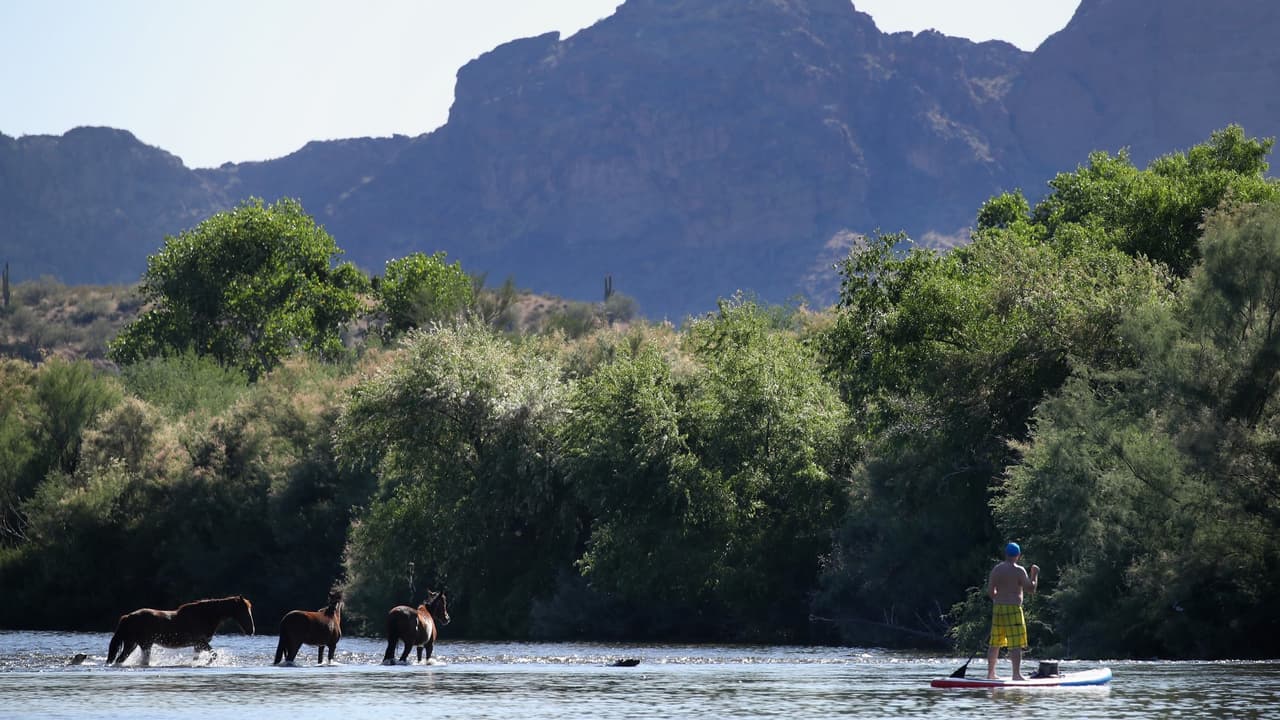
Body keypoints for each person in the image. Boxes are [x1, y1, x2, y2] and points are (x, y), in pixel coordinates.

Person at [986, 541, 1039, 680]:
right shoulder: (1019, 570)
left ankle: (990, 674)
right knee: (1015, 643)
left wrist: (998, 599)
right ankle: (1016, 674)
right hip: (1014, 609)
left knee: (995, 642)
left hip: (998, 608)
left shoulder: (996, 569)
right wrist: (1034, 574)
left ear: (1006, 554)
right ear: (1018, 555)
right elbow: (1031, 589)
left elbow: (990, 591)